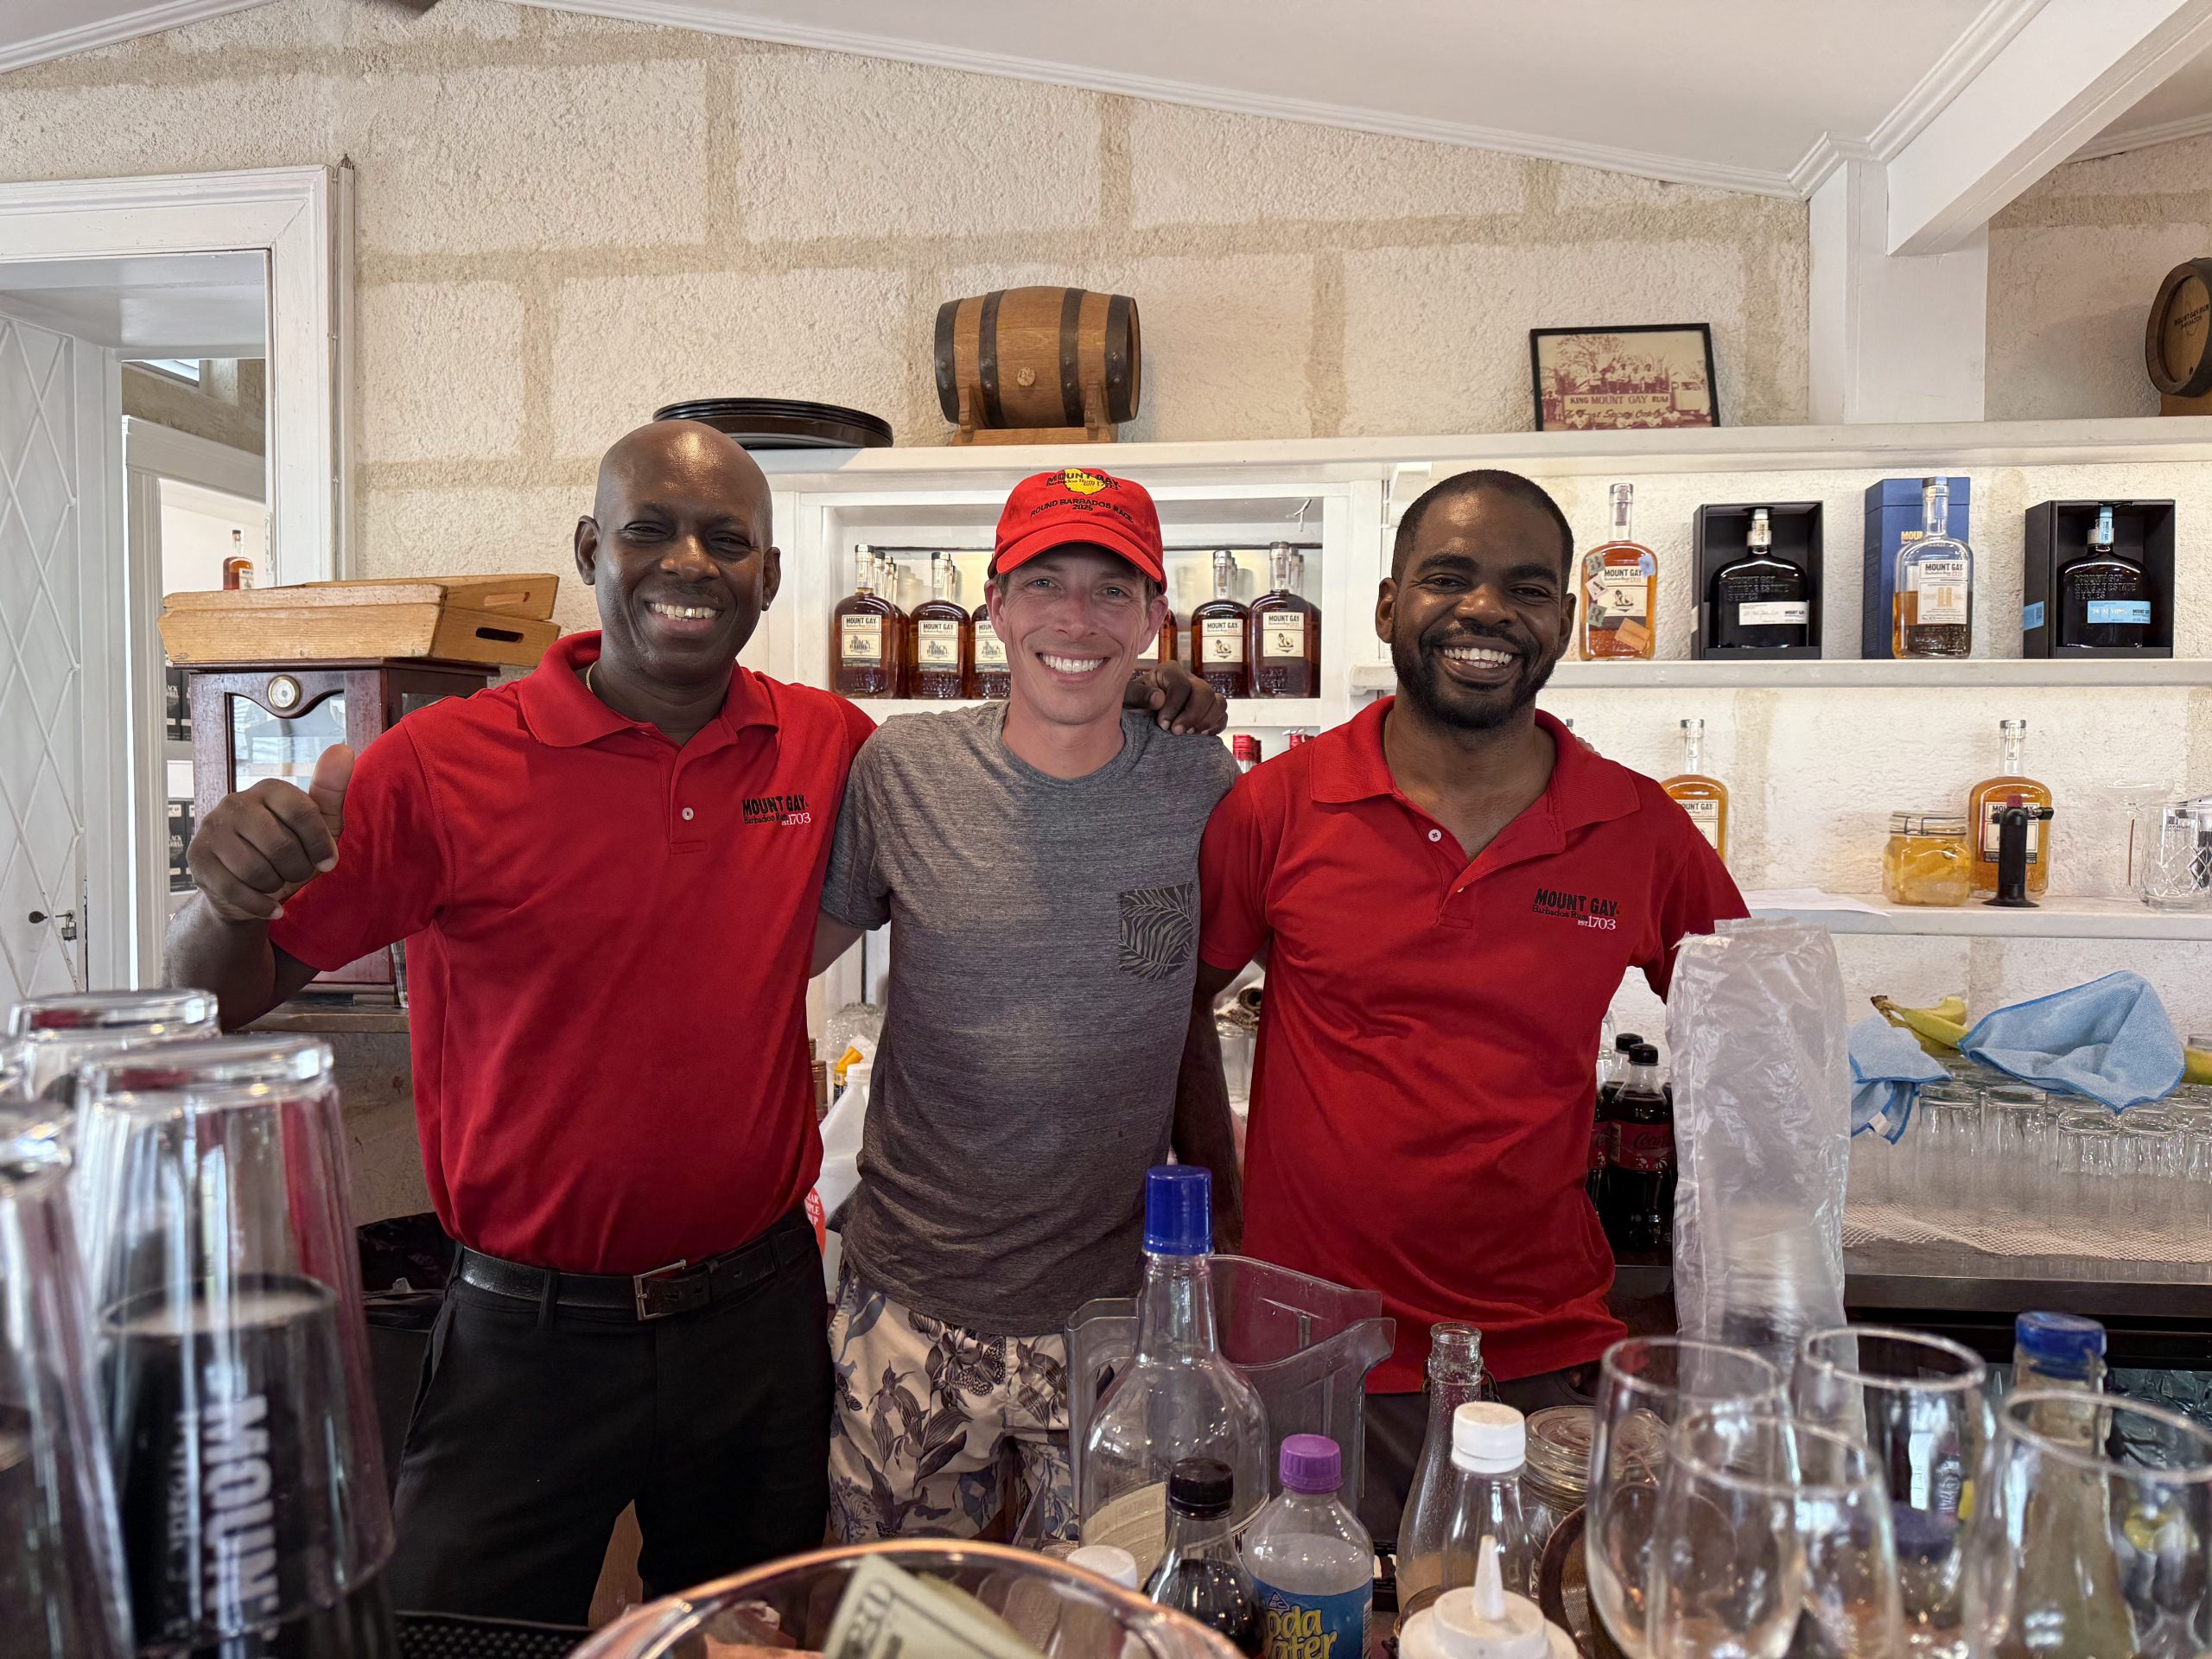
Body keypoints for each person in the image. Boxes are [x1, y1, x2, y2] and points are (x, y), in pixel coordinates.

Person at [164, 423, 1221, 1624]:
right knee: (457, 1635)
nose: (688, 565)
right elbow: (211, 999)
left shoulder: (827, 747)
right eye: (650, 531)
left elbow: (1037, 743)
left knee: (756, 1633)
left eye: (725, 541)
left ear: (768, 575)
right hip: (527, 1330)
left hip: (753, 1322)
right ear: (590, 550)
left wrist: (1144, 693)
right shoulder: (441, 763)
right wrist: (225, 897)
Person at [1178, 468, 1746, 1541]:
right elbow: (1174, 1013)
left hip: (1541, 1355)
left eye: (1525, 589)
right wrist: (1225, 1214)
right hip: (1320, 1357)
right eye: (1448, 578)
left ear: (1564, 622)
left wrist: (1737, 1299)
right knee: (1323, 1614)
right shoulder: (1278, 807)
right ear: (1387, 606)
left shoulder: (1637, 829)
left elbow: (1756, 1053)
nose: (1485, 610)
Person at [811, 467, 1243, 1544]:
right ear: (994, 606)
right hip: (907, 1306)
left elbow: (1217, 992)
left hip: (1116, 1322)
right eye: (1044, 583)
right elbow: (777, 968)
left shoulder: (1199, 784)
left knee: (1108, 1610)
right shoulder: (902, 770)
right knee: (898, 1610)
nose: (1075, 619)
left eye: (1111, 591)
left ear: (1154, 618)